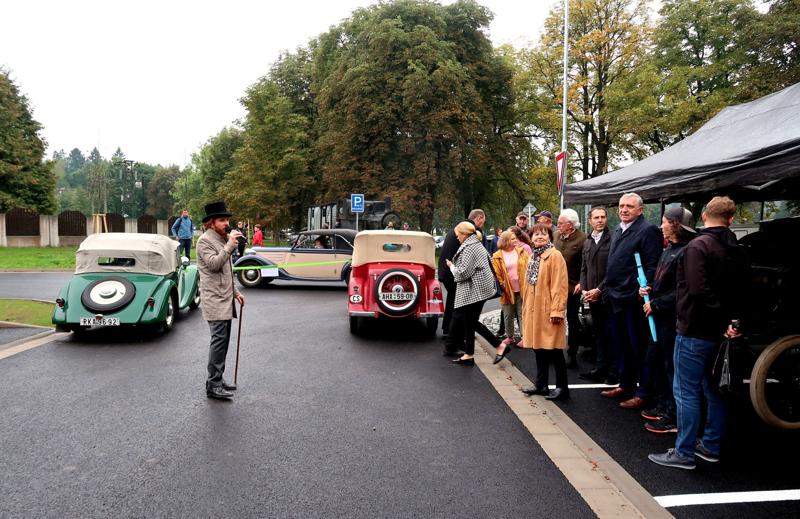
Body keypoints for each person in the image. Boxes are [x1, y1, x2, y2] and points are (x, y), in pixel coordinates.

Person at [649, 196, 748, 470]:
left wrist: (720, 318)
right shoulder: (737, 247)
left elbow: (696, 290)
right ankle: (711, 445)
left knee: (686, 391)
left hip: (695, 329)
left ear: (704, 215)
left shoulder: (698, 246)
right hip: (722, 332)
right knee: (713, 390)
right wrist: (733, 321)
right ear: (731, 219)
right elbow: (743, 290)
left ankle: (684, 452)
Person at [600, 193, 662, 407]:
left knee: (639, 347)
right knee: (621, 345)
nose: (624, 209)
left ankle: (644, 393)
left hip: (632, 299)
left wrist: (640, 290)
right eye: (621, 206)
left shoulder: (647, 230)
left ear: (640, 210)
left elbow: (653, 265)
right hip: (614, 297)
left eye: (629, 206)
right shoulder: (618, 229)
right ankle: (625, 384)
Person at [639, 207, 696, 434]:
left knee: (670, 368)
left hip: (672, 321)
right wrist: (650, 288)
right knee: (656, 363)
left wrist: (657, 303)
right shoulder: (669, 249)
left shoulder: (686, 252)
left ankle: (672, 416)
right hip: (659, 319)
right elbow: (664, 282)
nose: (660, 226)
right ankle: (663, 406)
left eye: (664, 221)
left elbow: (683, 290)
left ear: (675, 224)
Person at [196, 201, 246, 400]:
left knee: (223, 342)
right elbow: (214, 264)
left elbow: (227, 270)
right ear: (211, 223)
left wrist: (236, 292)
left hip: (226, 297)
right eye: (222, 220)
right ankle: (213, 385)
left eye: (227, 220)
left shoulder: (222, 238)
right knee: (218, 342)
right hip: (214, 299)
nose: (226, 223)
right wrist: (230, 246)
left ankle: (218, 378)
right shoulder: (205, 241)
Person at [519, 224, 570, 401]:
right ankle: (541, 385)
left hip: (548, 312)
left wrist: (557, 310)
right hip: (534, 311)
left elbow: (560, 286)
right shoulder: (534, 256)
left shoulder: (554, 256)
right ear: (531, 238)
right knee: (538, 349)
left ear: (549, 236)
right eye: (536, 235)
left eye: (543, 234)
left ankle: (562, 388)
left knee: (554, 350)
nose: (539, 237)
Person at [444, 221, 501, 366]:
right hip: (478, 290)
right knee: (469, 322)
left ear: (464, 234)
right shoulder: (475, 244)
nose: (457, 237)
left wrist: (451, 266)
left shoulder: (470, 248)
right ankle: (469, 355)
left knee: (470, 322)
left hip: (475, 292)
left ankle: (499, 345)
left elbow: (463, 273)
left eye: (458, 235)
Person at [578, 207, 615, 384]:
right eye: (596, 217)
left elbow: (613, 269)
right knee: (598, 333)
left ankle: (613, 371)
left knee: (611, 334)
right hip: (592, 297)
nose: (600, 220)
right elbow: (584, 268)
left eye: (602, 217)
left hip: (607, 295)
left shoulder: (613, 239)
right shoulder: (588, 241)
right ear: (590, 221)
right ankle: (600, 368)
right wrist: (585, 289)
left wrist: (599, 290)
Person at [438, 209, 486, 340]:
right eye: (483, 221)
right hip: (454, 271)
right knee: (461, 303)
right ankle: (457, 334)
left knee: (453, 300)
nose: (483, 224)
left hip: (445, 271)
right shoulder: (472, 230)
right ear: (479, 218)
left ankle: (448, 330)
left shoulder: (459, 227)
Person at [555, 208, 588, 368]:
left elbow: (586, 263)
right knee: (554, 318)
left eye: (560, 223)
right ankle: (553, 351)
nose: (558, 225)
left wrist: (582, 282)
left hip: (572, 286)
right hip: (555, 285)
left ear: (570, 224)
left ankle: (572, 353)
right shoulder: (556, 235)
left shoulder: (583, 239)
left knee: (572, 320)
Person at [492, 230, 529, 363]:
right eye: (513, 239)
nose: (516, 241)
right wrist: (502, 285)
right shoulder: (497, 256)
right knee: (507, 314)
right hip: (507, 290)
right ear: (506, 240)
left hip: (522, 288)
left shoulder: (521, 252)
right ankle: (510, 336)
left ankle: (525, 338)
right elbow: (496, 273)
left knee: (522, 313)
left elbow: (528, 266)